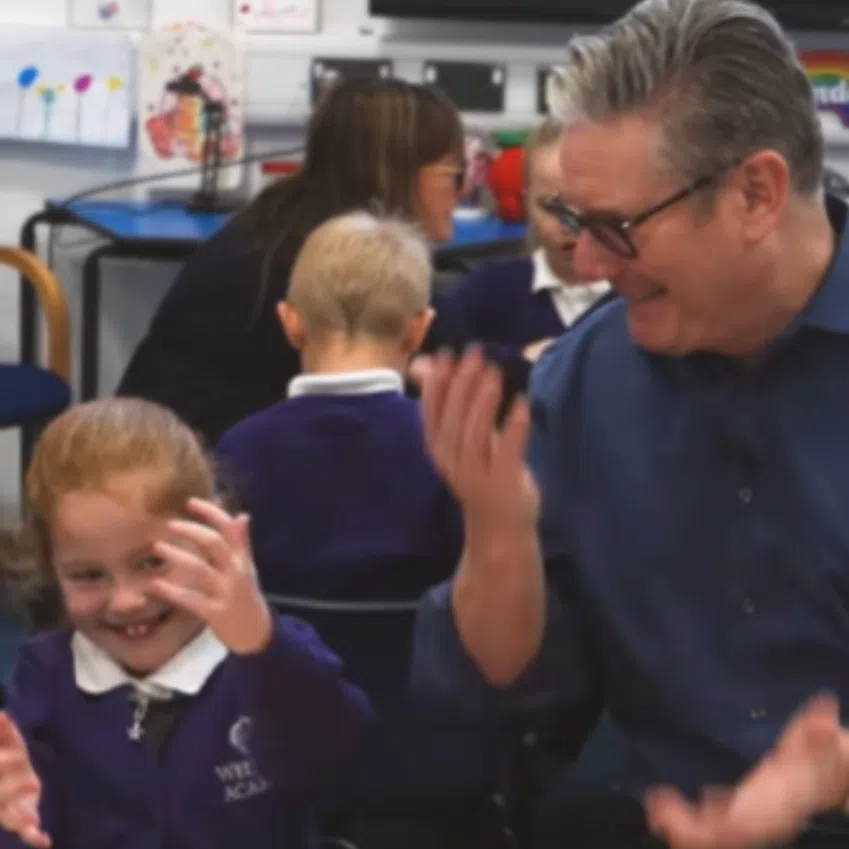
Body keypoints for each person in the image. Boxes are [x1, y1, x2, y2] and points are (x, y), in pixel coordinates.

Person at [409, 0, 849, 846]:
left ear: (754, 193)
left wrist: (820, 781)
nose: (586, 263)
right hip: (651, 818)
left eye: (615, 227)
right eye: (572, 222)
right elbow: (507, 683)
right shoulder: (582, 383)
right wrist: (497, 534)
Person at [0, 398, 371, 849]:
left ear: (210, 538)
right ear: (51, 568)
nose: (126, 601)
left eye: (153, 562)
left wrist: (261, 644)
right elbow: (26, 822)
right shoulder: (44, 679)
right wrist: (13, 823)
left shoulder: (268, 659)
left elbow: (342, 765)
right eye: (88, 575)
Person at [118, 79, 464, 447]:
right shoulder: (334, 266)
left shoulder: (284, 221)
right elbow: (447, 362)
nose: (463, 191)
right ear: (396, 173)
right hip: (193, 473)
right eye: (453, 174)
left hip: (160, 452)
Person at [216, 212, 462, 600]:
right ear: (418, 329)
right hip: (414, 658)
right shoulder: (450, 445)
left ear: (290, 323)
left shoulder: (240, 447)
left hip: (276, 659)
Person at [436, 118, 612, 366]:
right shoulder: (491, 288)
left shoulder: (639, 300)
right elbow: (423, 345)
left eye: (586, 205)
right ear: (525, 205)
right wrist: (517, 362)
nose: (571, 225)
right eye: (553, 208)